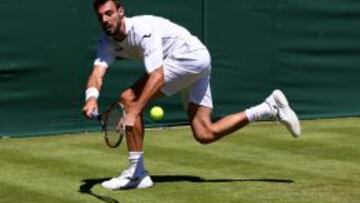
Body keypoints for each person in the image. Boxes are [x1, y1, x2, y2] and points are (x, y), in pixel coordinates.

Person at [82, 0, 301, 190]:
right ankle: (269, 108)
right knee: (205, 133)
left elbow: (156, 76)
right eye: (100, 16)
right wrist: (91, 97)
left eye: (109, 13)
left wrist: (134, 111)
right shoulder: (106, 42)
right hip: (197, 60)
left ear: (120, 11)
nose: (105, 19)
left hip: (189, 57)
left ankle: (137, 173)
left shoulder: (143, 30)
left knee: (129, 99)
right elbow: (97, 74)